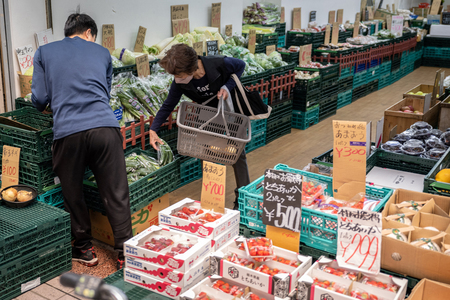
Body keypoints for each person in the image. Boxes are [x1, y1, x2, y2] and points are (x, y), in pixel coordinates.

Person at [31, 13, 132, 270]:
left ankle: (84, 249)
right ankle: (125, 253)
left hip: (68, 131)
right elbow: (104, 92)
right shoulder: (102, 53)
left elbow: (40, 99)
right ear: (89, 32)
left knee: (73, 192)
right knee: (116, 192)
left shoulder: (43, 52)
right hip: (105, 128)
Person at [149, 44, 250, 209]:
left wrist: (227, 87)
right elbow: (168, 104)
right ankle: (212, 200)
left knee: (237, 153)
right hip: (208, 115)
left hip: (230, 111)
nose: (176, 78)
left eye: (178, 74)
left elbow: (241, 66)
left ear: (192, 68)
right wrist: (153, 129)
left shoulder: (219, 63)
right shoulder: (180, 82)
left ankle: (243, 197)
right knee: (207, 154)